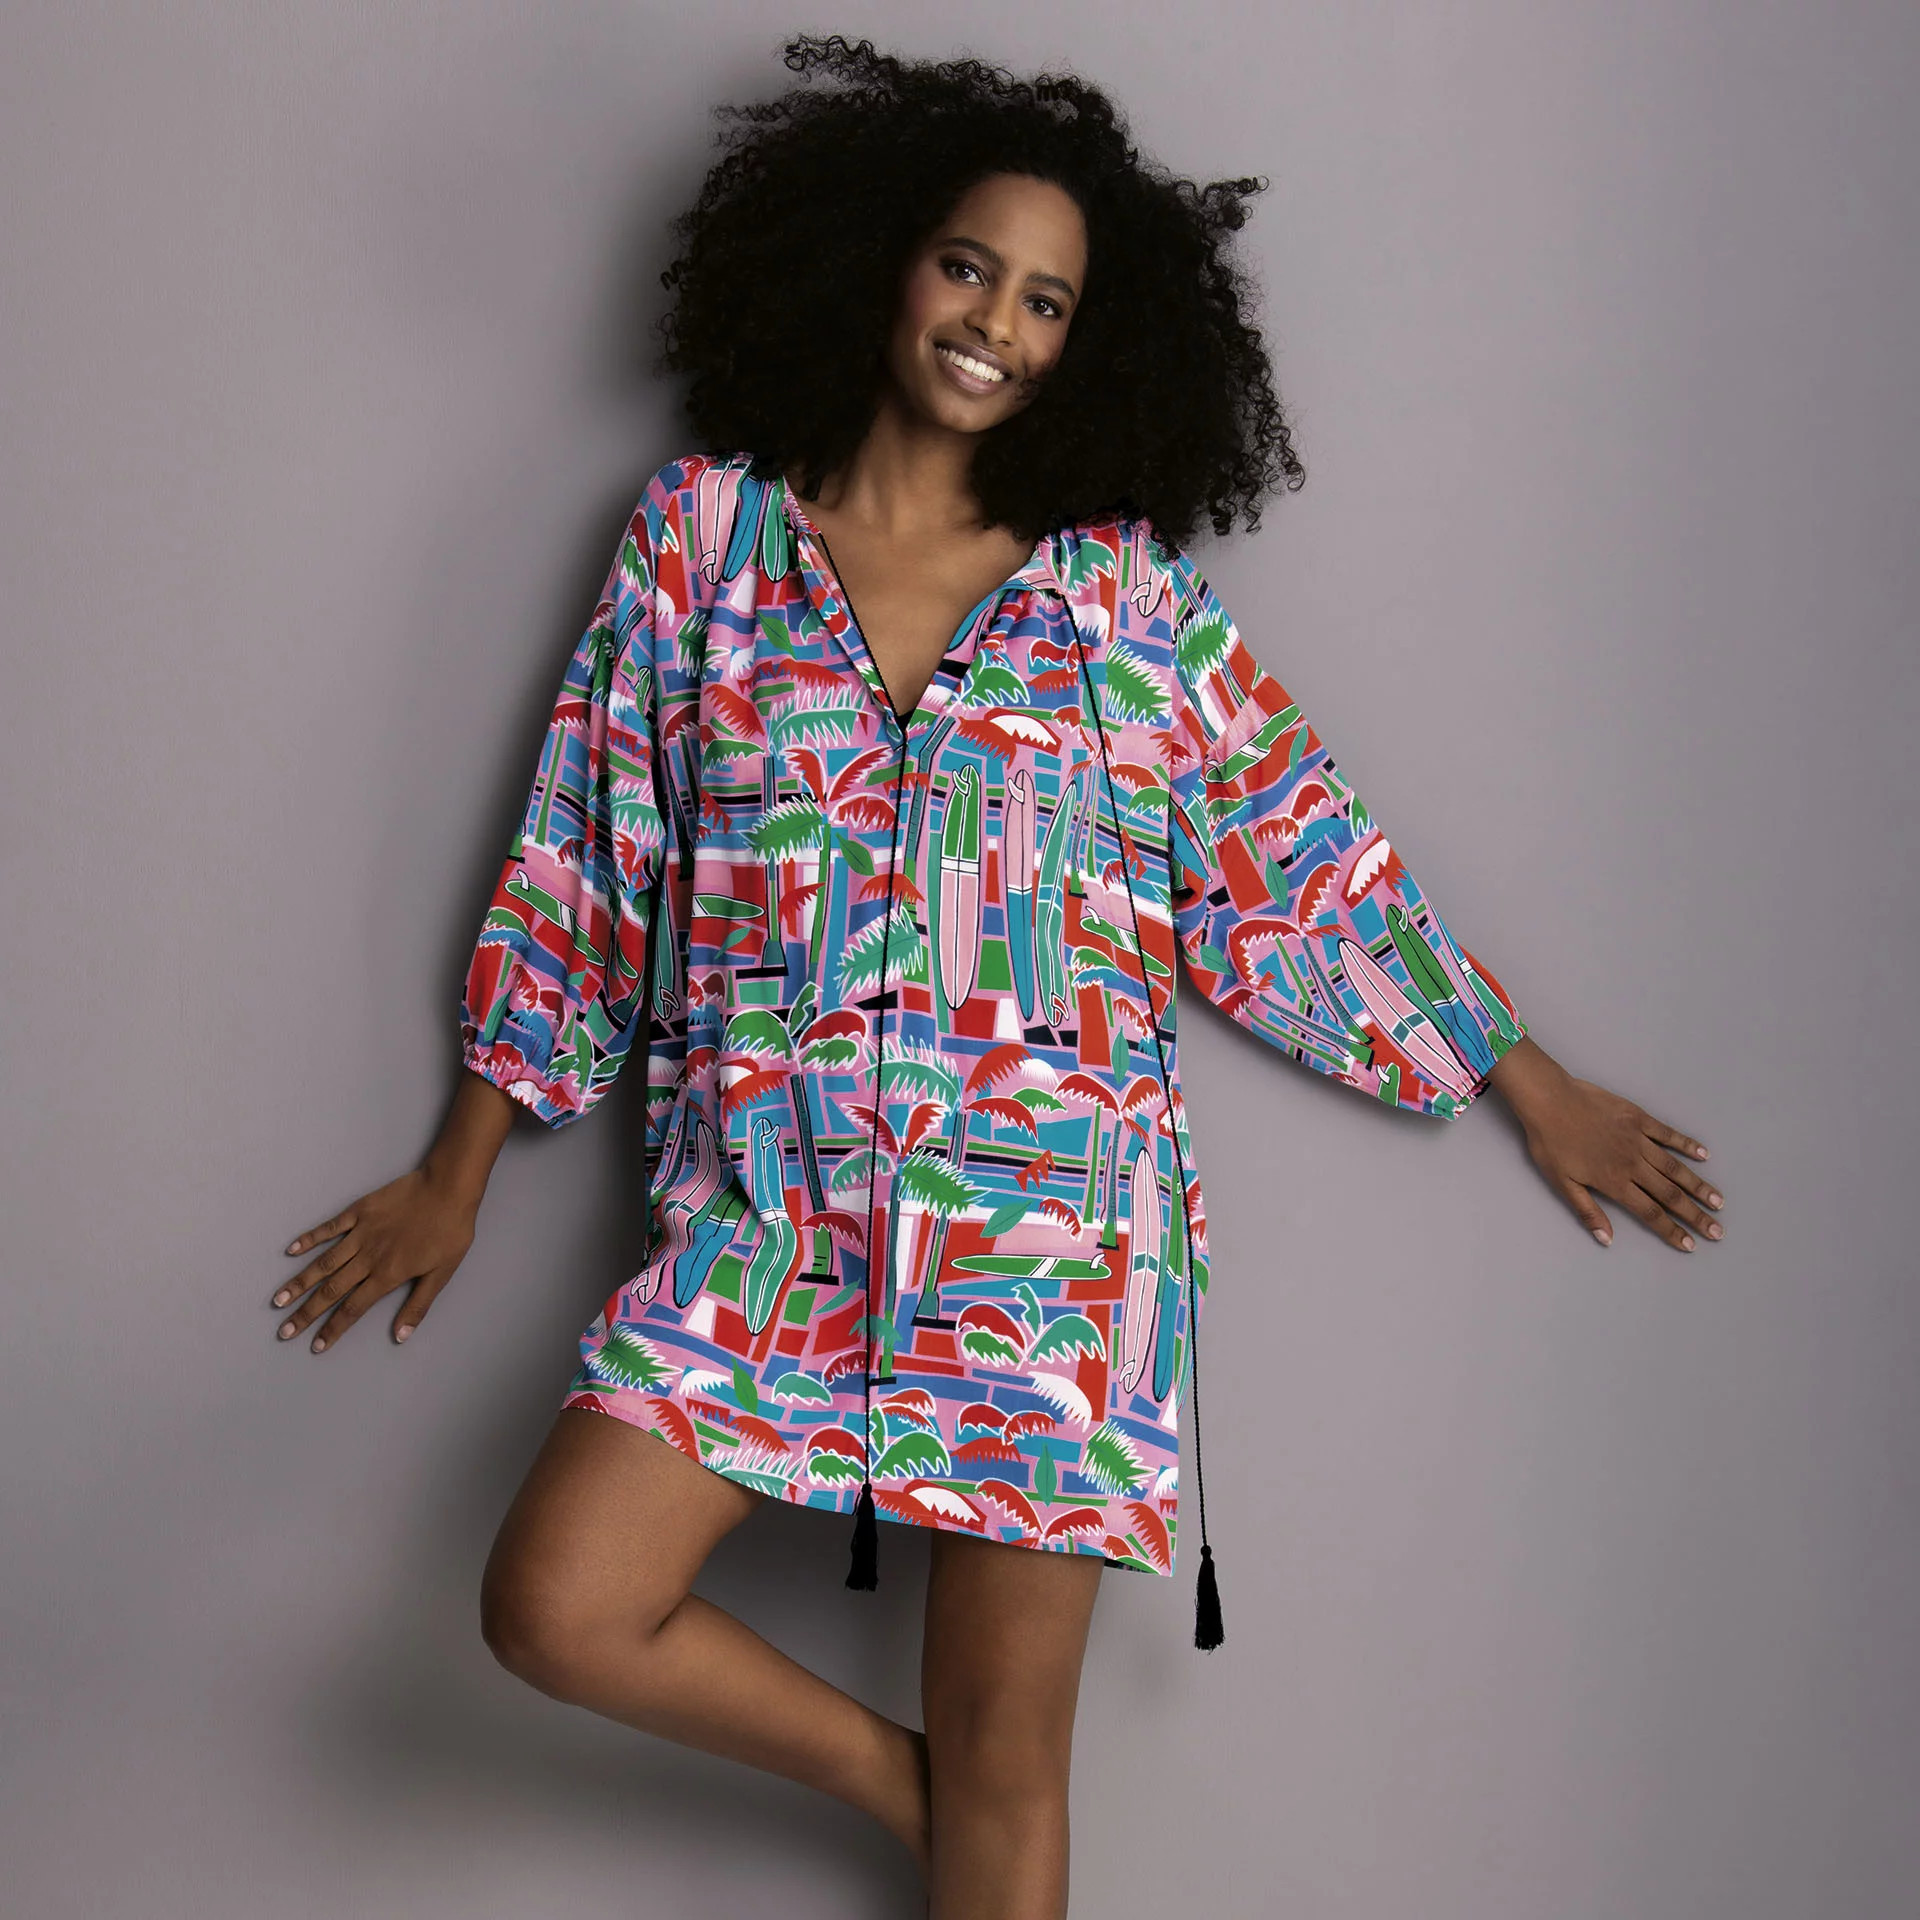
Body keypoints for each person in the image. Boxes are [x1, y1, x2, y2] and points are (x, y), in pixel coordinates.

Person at [270, 36, 1725, 1918]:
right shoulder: (702, 543)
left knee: (1018, 1775)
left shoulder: (1117, 601)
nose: (997, 326)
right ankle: (919, 1796)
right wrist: (457, 1170)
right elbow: (586, 859)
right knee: (559, 1603)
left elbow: (1296, 856)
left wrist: (1525, 1080)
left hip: (1055, 1248)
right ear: (887, 257)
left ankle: (979, 1810)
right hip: (768, 1217)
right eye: (970, 267)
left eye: (1048, 302)